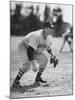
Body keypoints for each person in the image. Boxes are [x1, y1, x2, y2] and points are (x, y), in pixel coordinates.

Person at [12, 21, 58, 89]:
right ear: (45, 29)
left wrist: (53, 56)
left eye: (52, 28)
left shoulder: (48, 38)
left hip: (34, 49)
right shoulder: (37, 36)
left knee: (44, 61)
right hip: (24, 47)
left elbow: (49, 49)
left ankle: (38, 78)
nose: (51, 30)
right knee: (27, 65)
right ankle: (16, 82)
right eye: (49, 28)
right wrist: (33, 64)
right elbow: (30, 51)